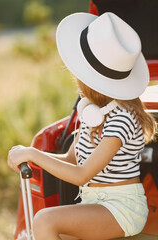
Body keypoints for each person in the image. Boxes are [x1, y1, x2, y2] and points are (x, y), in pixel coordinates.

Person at [8, 12, 157, 240]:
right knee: (45, 230)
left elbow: (81, 175)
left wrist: (32, 153)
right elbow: (71, 160)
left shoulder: (122, 118)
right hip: (93, 203)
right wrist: (34, 155)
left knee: (44, 220)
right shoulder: (93, 111)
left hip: (121, 208)